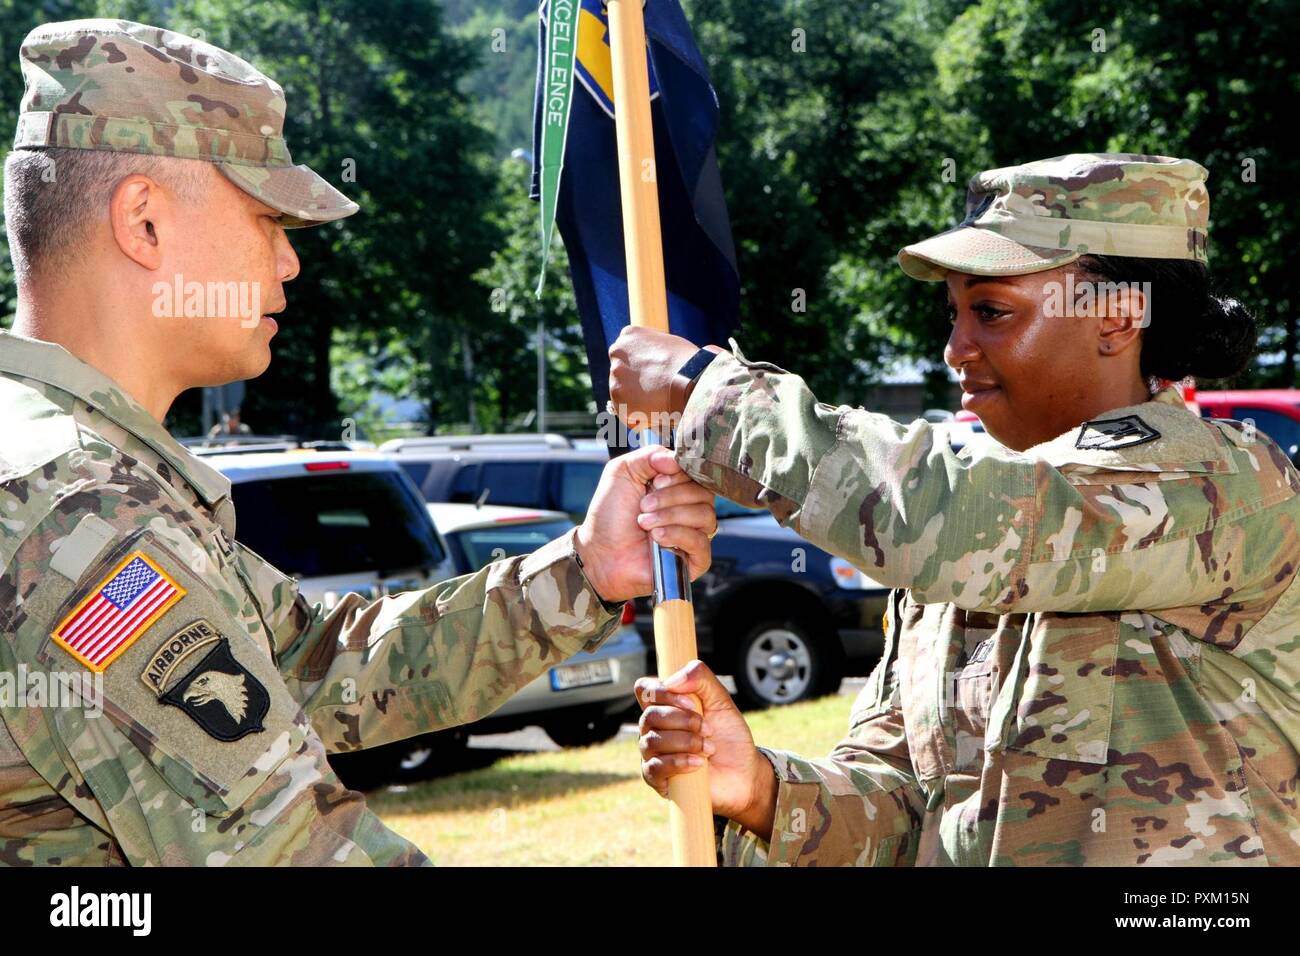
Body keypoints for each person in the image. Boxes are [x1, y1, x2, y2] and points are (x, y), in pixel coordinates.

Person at [0, 19, 719, 866]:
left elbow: (318, 664)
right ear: (145, 224)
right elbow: (292, 851)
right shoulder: (79, 513)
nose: (289, 263)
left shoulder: (71, 472)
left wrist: (585, 572)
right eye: (269, 218)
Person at [611, 152, 1300, 866]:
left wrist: (707, 395)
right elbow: (906, 805)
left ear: (1118, 318)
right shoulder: (962, 542)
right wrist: (757, 790)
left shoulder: (1225, 483)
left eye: (992, 312)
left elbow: (959, 521)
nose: (954, 349)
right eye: (955, 313)